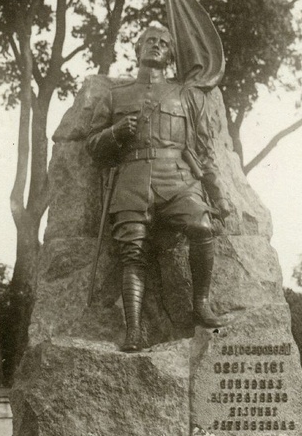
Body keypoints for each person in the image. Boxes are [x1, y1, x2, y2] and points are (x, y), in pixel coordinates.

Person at [87, 22, 233, 352]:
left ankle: (202, 305)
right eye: (149, 41)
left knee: (201, 226)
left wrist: (219, 195)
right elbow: (92, 147)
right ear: (137, 50)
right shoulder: (114, 96)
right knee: (132, 251)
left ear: (170, 55)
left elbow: (206, 152)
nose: (156, 46)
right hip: (132, 179)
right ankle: (134, 330)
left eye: (163, 44)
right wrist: (117, 132)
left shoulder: (188, 96)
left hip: (179, 178)